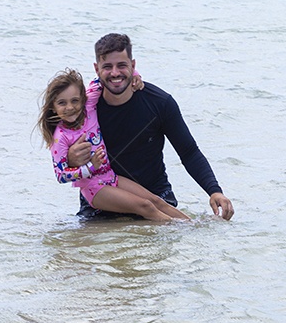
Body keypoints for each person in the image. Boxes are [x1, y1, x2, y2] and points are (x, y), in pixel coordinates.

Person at [67, 33, 235, 220]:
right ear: (96, 69)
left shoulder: (160, 103)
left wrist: (214, 191)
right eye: (107, 67)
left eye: (121, 65)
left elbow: (189, 152)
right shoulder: (82, 110)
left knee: (186, 229)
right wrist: (70, 159)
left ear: (133, 66)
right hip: (101, 208)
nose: (115, 73)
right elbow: (59, 150)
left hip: (157, 200)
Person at [38, 68, 191, 222]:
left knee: (155, 200)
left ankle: (193, 225)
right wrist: (90, 167)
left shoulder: (89, 107)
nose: (70, 107)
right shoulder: (60, 138)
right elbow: (61, 175)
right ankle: (178, 231)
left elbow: (104, 77)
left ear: (83, 98)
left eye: (75, 100)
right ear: (53, 107)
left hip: (111, 177)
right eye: (62, 103)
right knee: (146, 206)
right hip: (93, 188)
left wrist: (134, 75)